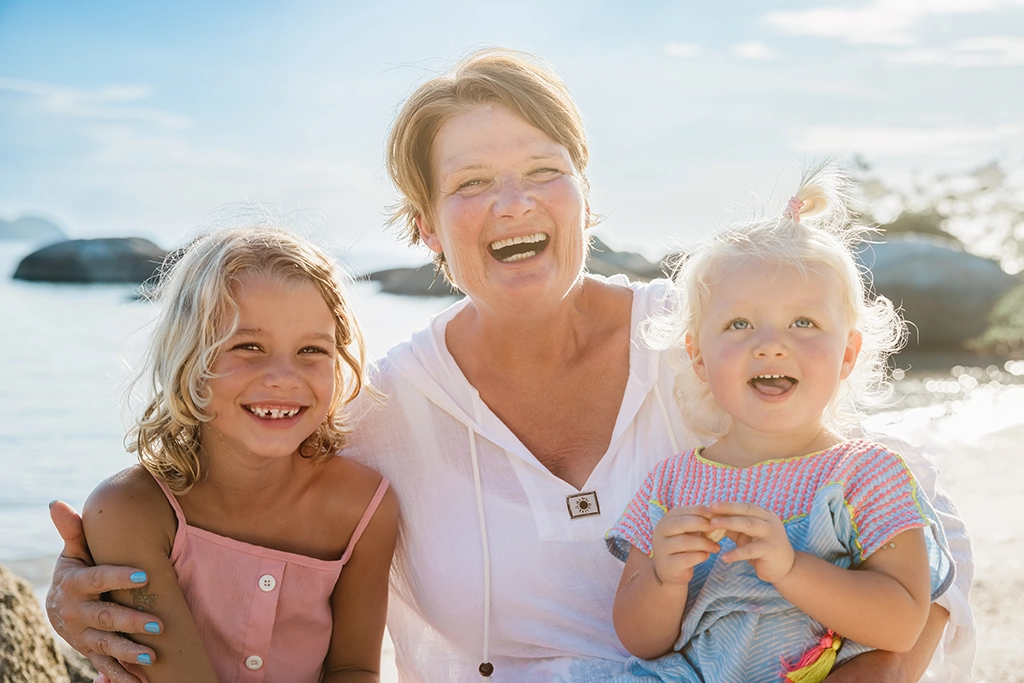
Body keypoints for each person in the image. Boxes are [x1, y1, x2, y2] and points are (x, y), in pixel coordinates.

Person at [46, 49, 975, 682]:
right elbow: (228, 510)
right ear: (425, 229)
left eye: (541, 169)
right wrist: (88, 584)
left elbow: (924, 524)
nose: (512, 203)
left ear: (585, 193)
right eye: (469, 184)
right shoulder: (381, 410)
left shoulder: (705, 341)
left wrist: (878, 666)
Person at [606, 167, 955, 682]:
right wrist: (663, 577)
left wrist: (793, 569)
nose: (770, 344)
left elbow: (903, 625)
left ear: (848, 355)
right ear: (698, 356)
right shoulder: (672, 483)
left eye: (804, 323)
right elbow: (639, 639)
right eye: (739, 323)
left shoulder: (867, 477)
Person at [72, 226, 398, 681]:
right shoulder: (131, 509)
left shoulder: (364, 507)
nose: (285, 376)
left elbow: (354, 668)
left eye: (311, 349)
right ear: (187, 358)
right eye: (248, 346)